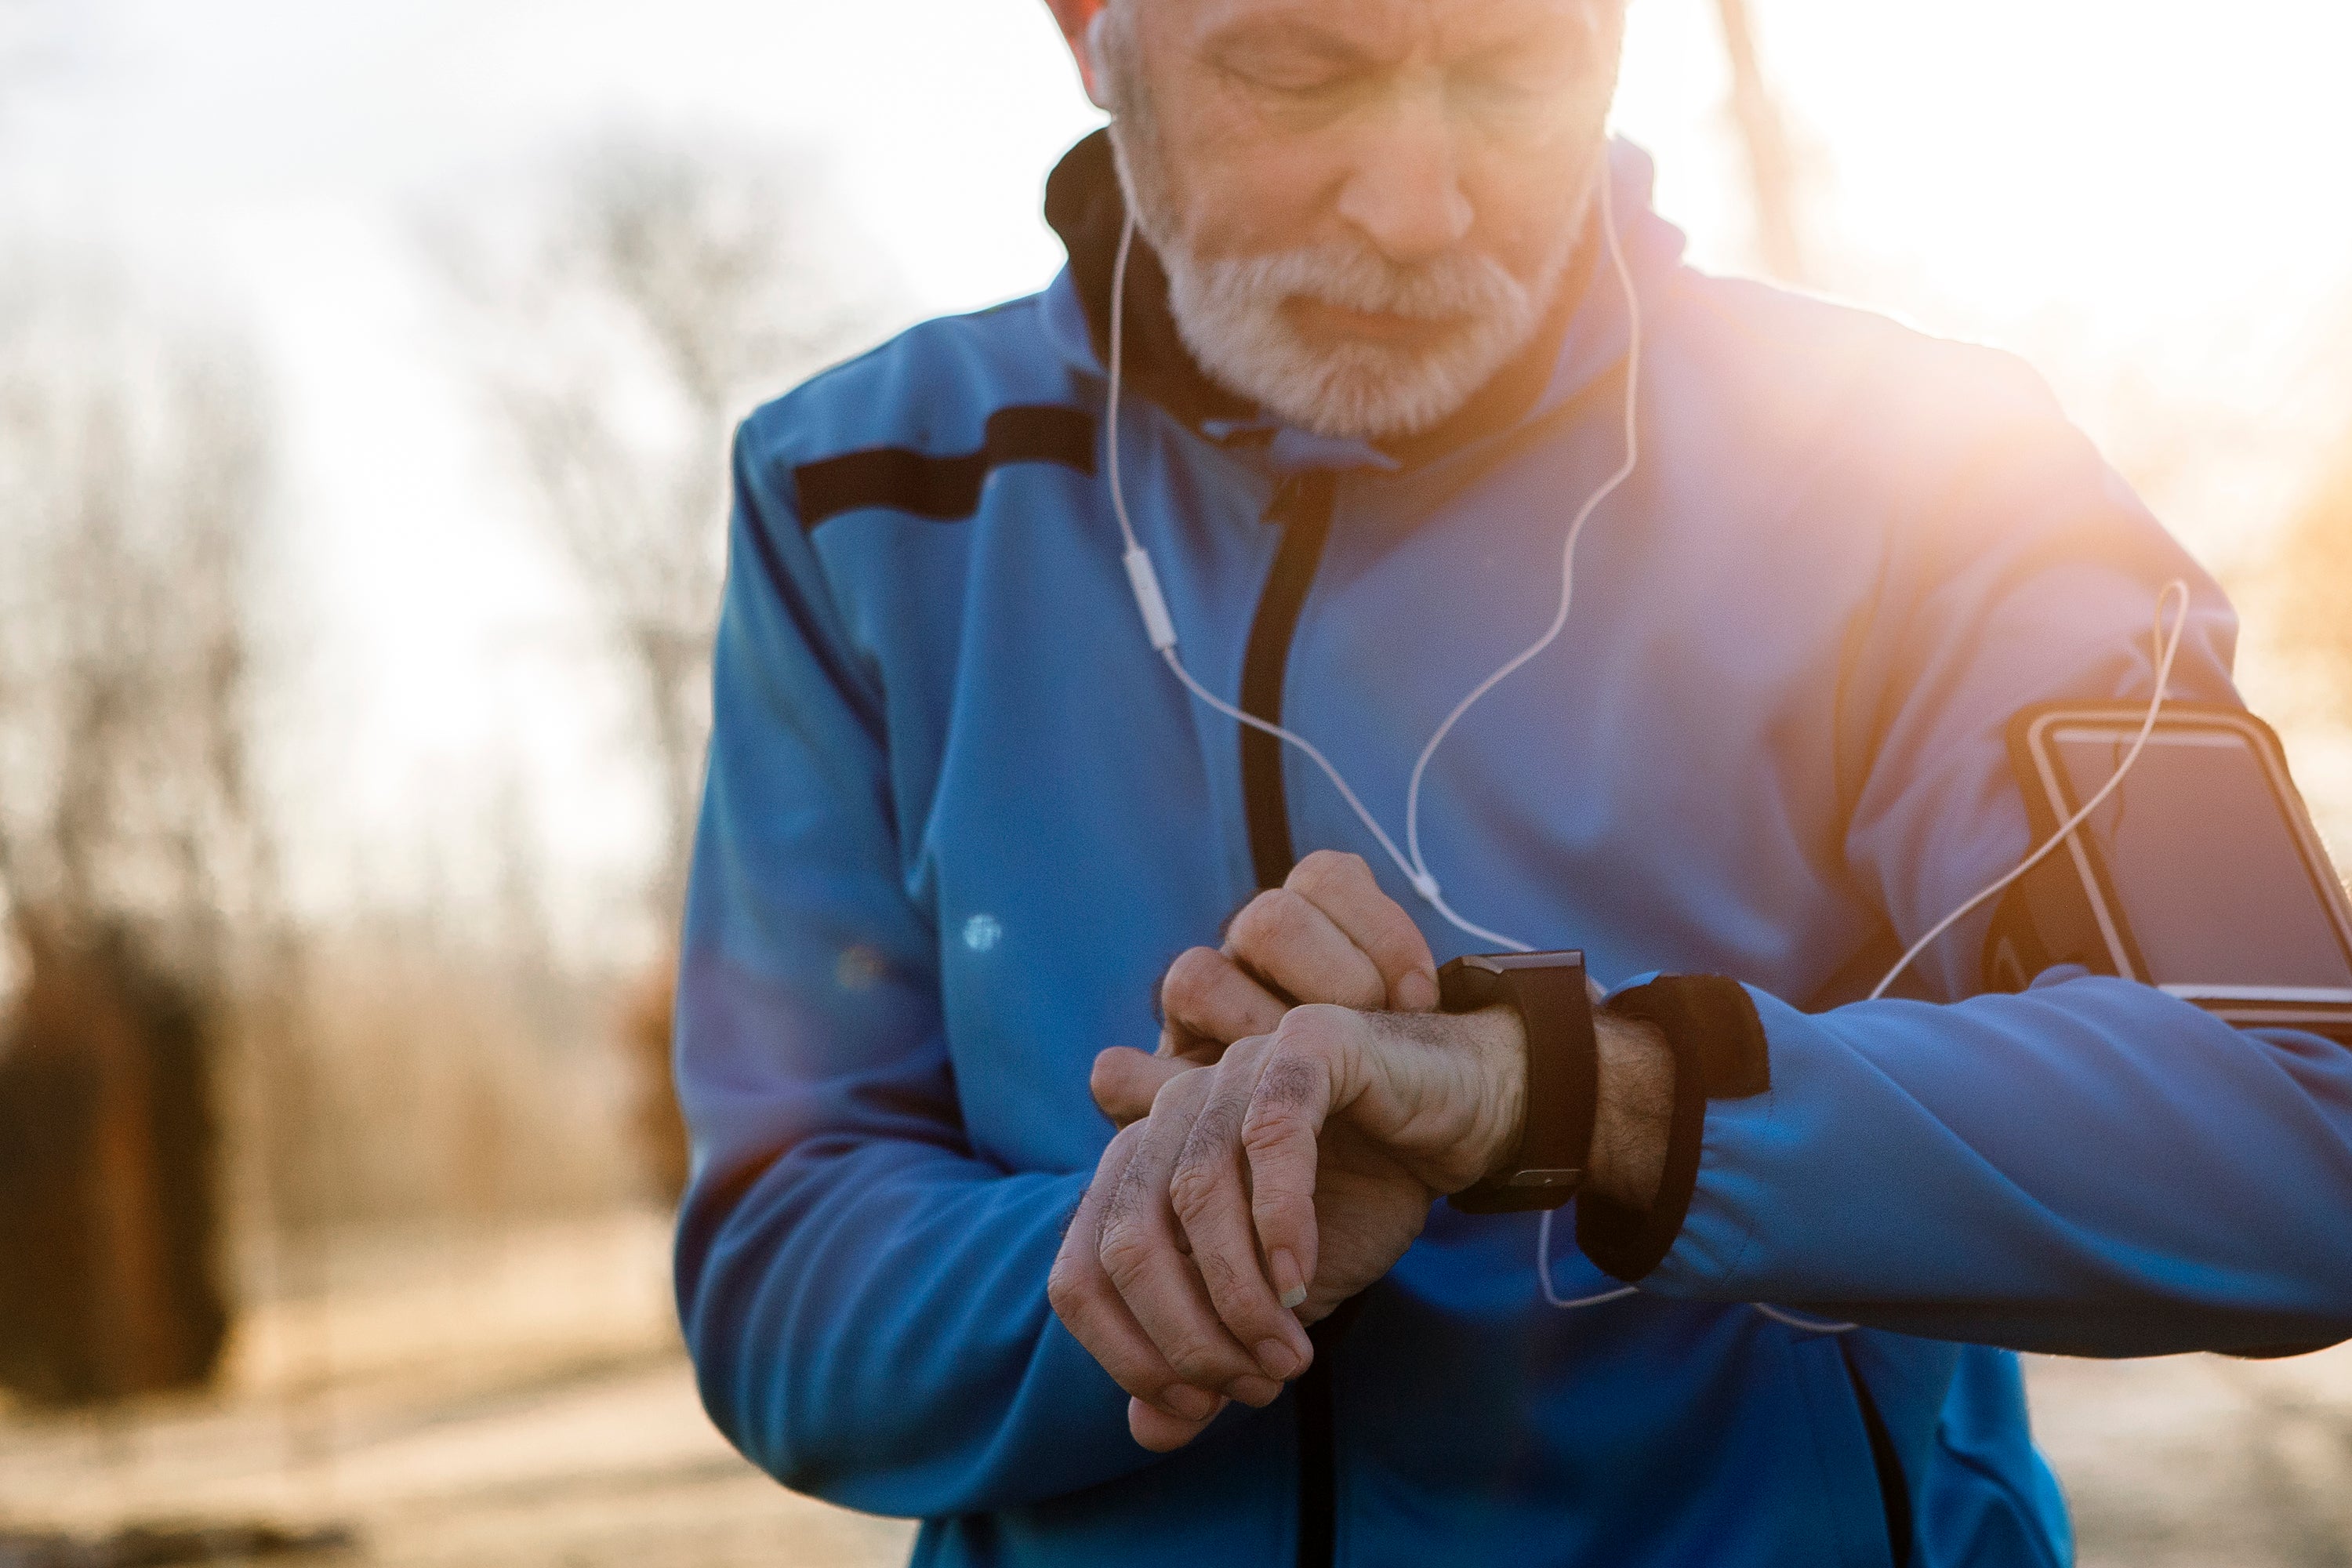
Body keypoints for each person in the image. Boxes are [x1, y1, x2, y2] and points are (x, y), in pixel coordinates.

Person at [671, 0, 2352, 1562]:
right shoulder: (856, 497)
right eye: (1300, 70)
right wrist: (1158, 1250)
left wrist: (1573, 1099)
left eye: (1512, 67)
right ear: (1088, 25)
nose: (1417, 206)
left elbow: (2301, 1125)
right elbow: (781, 1277)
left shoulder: (1925, 463)